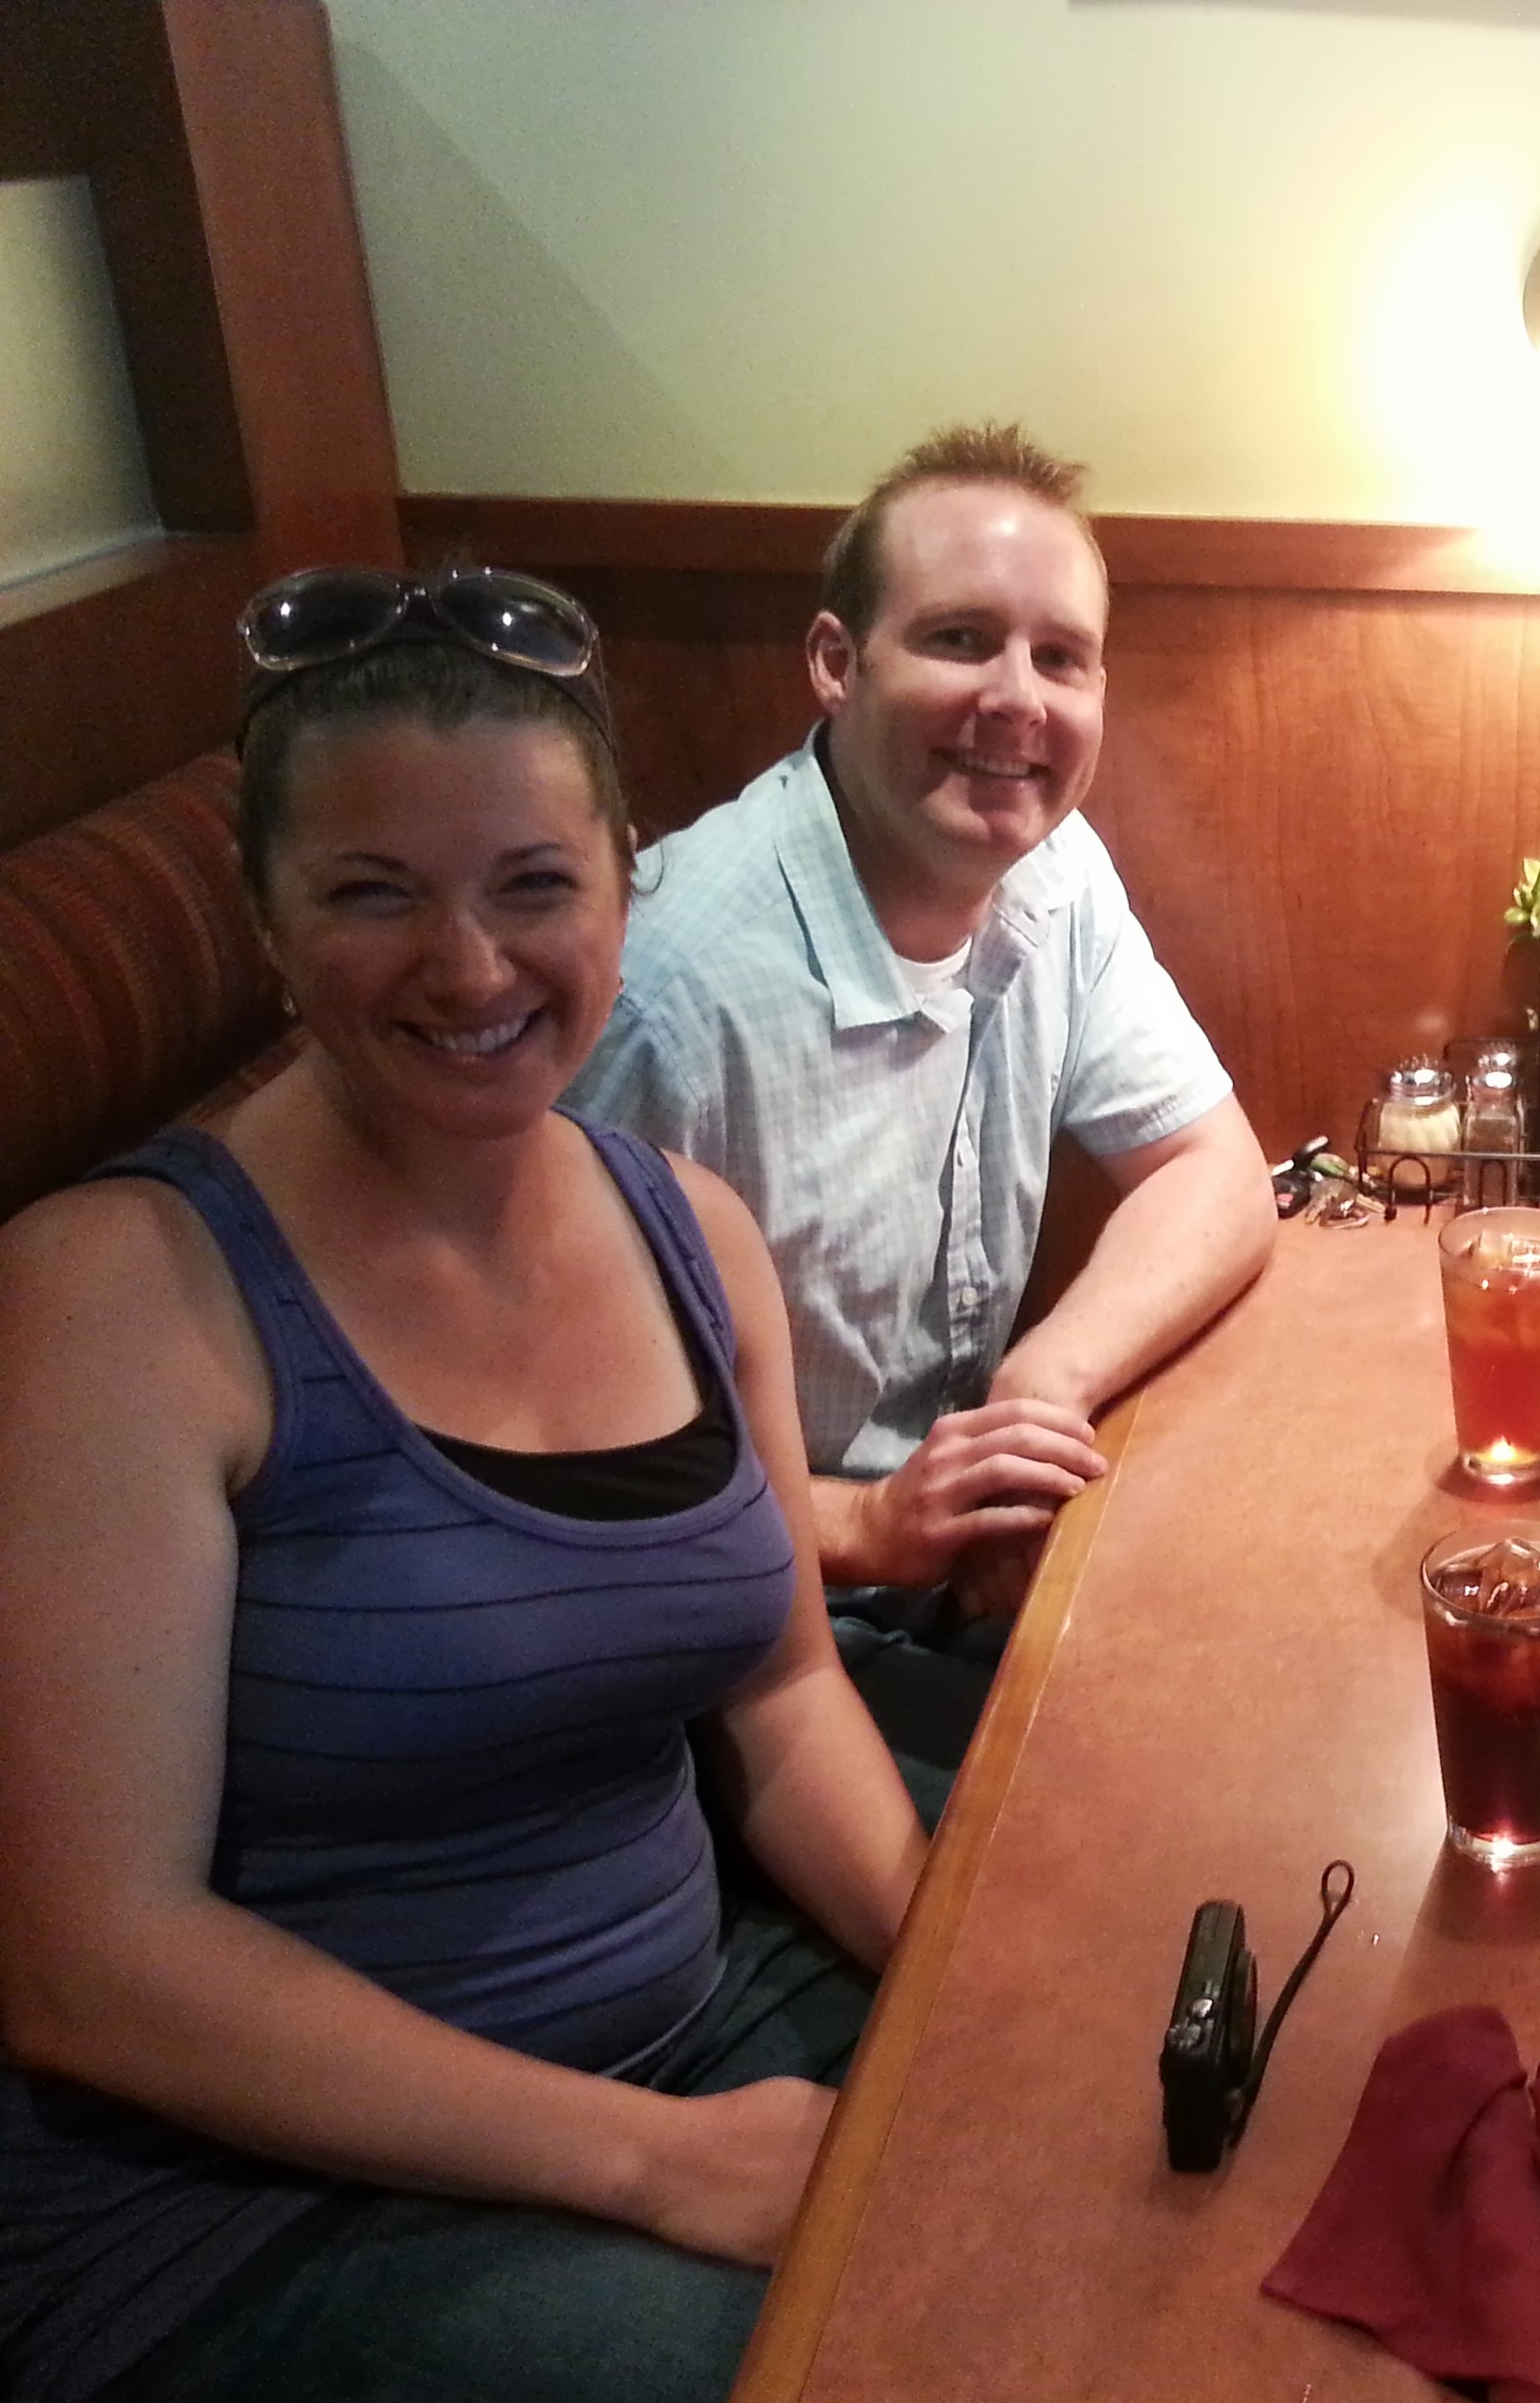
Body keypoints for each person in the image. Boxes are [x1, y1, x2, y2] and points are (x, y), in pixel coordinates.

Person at [0, 568, 929, 2403]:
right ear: (267, 922)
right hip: (258, 2202)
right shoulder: (114, 1301)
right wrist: (662, 2166)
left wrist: (954, 1970)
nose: (472, 968)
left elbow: (783, 1689)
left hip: (691, 2032)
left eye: (532, 885)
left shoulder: (693, 1234)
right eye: (373, 894)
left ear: (623, 887)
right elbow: (95, 1967)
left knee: (1106, 2154)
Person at [563, 422, 1275, 1714]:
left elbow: (1213, 1169)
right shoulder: (667, 998)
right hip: (742, 1639)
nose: (1018, 700)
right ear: (836, 664)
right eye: (960, 639)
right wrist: (871, 1525)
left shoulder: (1054, 871)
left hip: (950, 1584)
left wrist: (1034, 1400)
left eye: (1061, 657)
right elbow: (558, 1460)